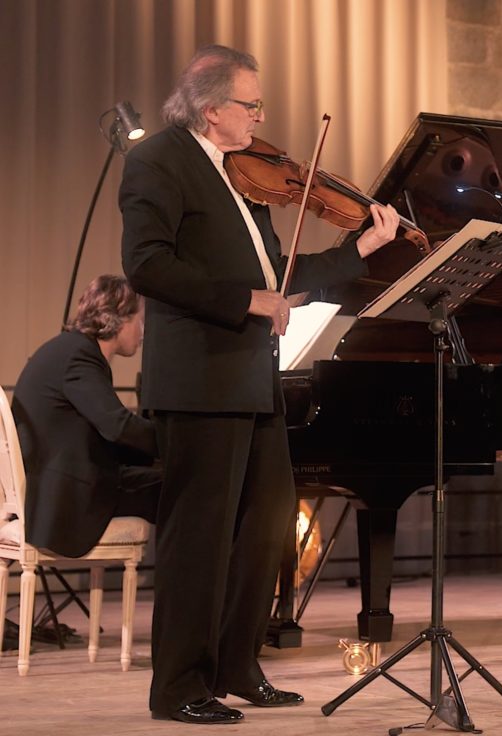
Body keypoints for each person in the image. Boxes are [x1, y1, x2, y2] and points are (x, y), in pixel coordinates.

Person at [119, 45, 400, 725]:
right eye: (251, 103)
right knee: (199, 537)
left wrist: (358, 251)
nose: (261, 116)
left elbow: (281, 277)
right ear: (213, 108)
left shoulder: (244, 180)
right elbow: (148, 265)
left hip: (250, 380)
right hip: (198, 378)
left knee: (267, 525)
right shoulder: (159, 160)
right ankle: (179, 686)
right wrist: (246, 301)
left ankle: (238, 664)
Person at [12, 275, 158, 559]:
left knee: (169, 481)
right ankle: (190, 596)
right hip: (66, 502)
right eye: (140, 320)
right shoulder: (80, 356)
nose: (143, 330)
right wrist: (177, 444)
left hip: (57, 489)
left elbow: (102, 433)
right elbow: (117, 426)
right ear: (119, 318)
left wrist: (152, 454)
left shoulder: (68, 349)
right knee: (182, 490)